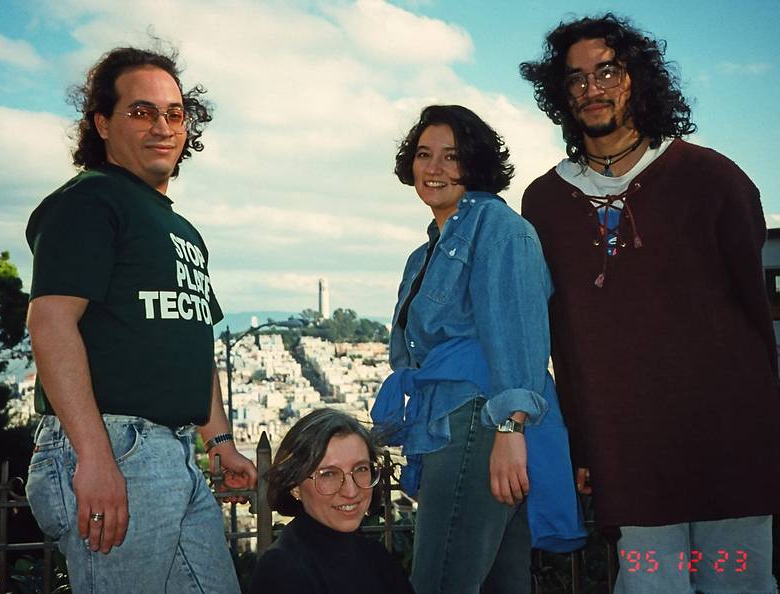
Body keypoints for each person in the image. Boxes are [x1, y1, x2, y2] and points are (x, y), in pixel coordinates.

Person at [520, 13, 780, 594]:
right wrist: (585, 444)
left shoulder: (713, 179)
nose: (593, 87)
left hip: (729, 439)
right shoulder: (544, 203)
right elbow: (560, 335)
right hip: (628, 450)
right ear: (561, 94)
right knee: (648, 587)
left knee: (740, 584)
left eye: (607, 70)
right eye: (576, 78)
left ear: (636, 79)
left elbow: (754, 314)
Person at [24, 46, 256, 593]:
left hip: (174, 454)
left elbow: (192, 337)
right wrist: (95, 456)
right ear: (102, 123)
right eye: (141, 111)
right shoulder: (90, 200)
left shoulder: (181, 229)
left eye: (175, 113)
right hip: (116, 446)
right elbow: (51, 323)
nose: (163, 126)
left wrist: (218, 440)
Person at [371, 104, 584, 594]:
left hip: (479, 418)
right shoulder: (425, 252)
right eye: (425, 154)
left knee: (441, 577)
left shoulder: (499, 228)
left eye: (452, 155)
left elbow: (519, 335)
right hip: (452, 414)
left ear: (477, 164)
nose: (435, 168)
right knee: (498, 581)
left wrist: (510, 430)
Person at [249, 408, 414, 594]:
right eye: (328, 474)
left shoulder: (375, 557)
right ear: (295, 486)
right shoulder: (282, 571)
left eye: (361, 469)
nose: (351, 491)